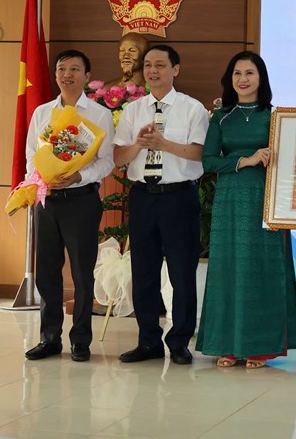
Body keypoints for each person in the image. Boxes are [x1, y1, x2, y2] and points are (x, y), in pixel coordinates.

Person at [195, 51, 296, 369]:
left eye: (250, 73)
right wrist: (246, 160)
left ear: (261, 79)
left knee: (261, 269)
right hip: (230, 199)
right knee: (228, 268)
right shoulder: (222, 117)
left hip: (267, 199)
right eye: (237, 74)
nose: (243, 79)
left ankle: (259, 346)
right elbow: (209, 161)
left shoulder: (275, 117)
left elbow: (293, 160)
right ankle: (228, 345)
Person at [113, 44, 208, 365]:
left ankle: (179, 342)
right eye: (149, 65)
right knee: (144, 272)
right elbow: (119, 159)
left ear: (175, 69)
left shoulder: (192, 109)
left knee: (182, 274)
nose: (153, 71)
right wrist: (139, 145)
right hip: (142, 197)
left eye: (161, 65)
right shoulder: (133, 110)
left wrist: (163, 143)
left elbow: (198, 154)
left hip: (179, 197)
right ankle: (148, 340)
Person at [24, 50, 115, 362]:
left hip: (81, 201)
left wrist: (78, 174)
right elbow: (30, 155)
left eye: (75, 69)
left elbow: (107, 162)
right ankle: (49, 338)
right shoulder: (42, 113)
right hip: (47, 201)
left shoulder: (100, 115)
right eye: (62, 69)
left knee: (82, 272)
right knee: (46, 272)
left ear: (87, 76)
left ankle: (81, 340)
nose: (67, 75)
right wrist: (36, 184)